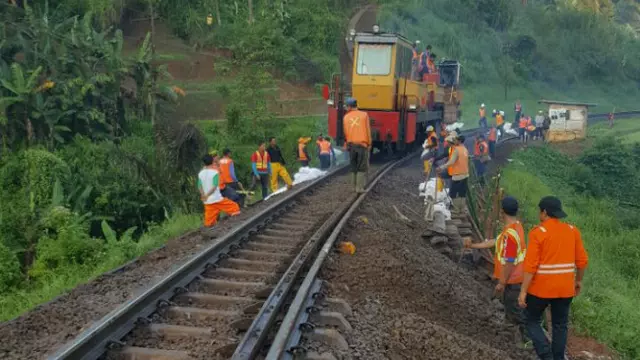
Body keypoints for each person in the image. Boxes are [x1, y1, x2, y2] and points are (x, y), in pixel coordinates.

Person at [518, 196, 589, 360]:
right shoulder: (572, 231)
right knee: (560, 325)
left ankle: (545, 354)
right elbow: (582, 261)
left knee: (531, 319)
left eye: (539, 211)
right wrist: (578, 280)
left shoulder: (538, 233)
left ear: (544, 212)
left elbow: (530, 266)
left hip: (540, 289)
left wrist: (523, 291)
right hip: (565, 290)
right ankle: (557, 357)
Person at [464, 196, 528, 347]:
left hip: (513, 281)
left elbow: (510, 261)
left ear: (502, 212)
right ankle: (511, 337)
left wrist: (502, 282)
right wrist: (472, 246)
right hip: (516, 279)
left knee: (516, 313)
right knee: (511, 309)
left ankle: (527, 342)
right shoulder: (515, 227)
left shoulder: (510, 235)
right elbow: (495, 241)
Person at [198, 154, 241, 227]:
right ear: (212, 161)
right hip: (217, 199)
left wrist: (204, 195)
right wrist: (207, 195)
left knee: (208, 223)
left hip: (208, 202)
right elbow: (214, 186)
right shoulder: (215, 173)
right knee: (235, 208)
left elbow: (199, 186)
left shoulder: (200, 174)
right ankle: (233, 226)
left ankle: (213, 230)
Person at [343, 97, 371, 193]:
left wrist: (346, 144)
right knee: (362, 166)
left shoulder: (345, 117)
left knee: (353, 166)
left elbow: (346, 133)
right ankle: (359, 188)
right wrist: (369, 143)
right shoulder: (364, 115)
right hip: (362, 145)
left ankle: (353, 187)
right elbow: (368, 131)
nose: (345, 107)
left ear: (350, 106)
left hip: (351, 145)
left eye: (346, 106)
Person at [436, 132, 469, 215]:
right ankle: (462, 209)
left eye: (456, 140)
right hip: (465, 174)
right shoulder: (464, 149)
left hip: (457, 175)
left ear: (459, 141)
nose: (455, 141)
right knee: (462, 193)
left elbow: (451, 162)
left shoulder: (456, 150)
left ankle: (457, 209)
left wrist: (441, 167)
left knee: (453, 193)